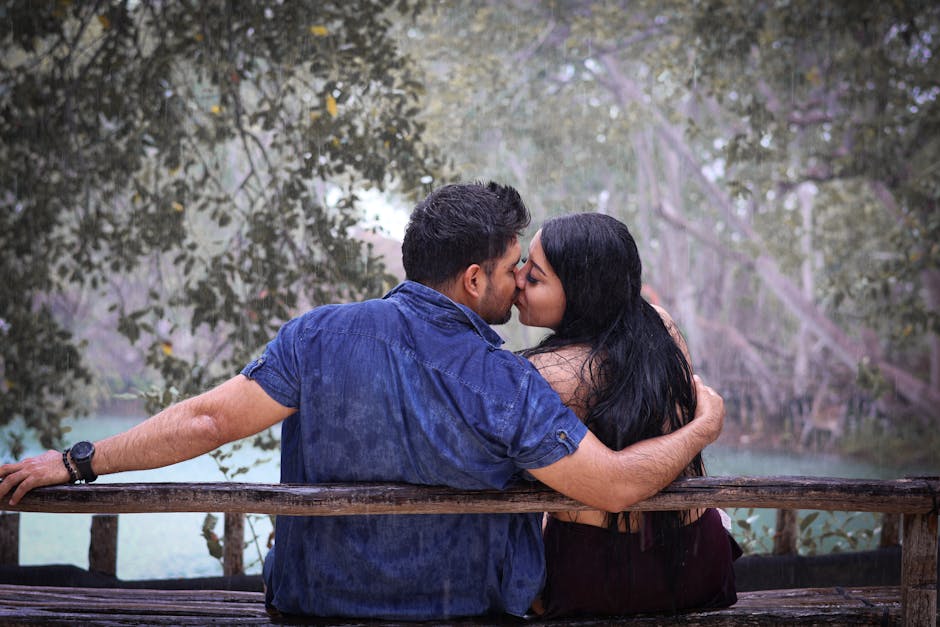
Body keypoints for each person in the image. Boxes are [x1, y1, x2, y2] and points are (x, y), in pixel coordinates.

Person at [0, 182, 725, 621]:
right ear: (474, 280)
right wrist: (707, 421)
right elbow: (619, 482)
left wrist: (79, 459)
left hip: (314, 604)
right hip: (460, 608)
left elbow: (207, 419)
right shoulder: (503, 379)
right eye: (514, 269)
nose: (519, 284)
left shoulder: (318, 334)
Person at [513, 212, 740, 618]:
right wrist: (706, 427)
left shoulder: (546, 374)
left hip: (602, 577)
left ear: (581, 291)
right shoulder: (661, 326)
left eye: (535, 277)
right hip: (698, 558)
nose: (518, 279)